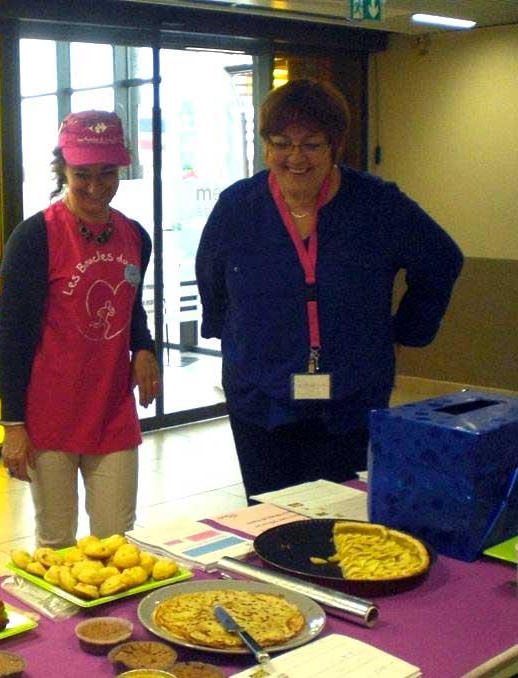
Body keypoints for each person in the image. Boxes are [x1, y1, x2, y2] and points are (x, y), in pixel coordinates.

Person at [195, 78, 463, 499]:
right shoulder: (238, 206)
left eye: (312, 144)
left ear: (335, 146)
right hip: (260, 394)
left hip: (351, 396)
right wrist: (227, 331)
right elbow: (211, 276)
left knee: (343, 515)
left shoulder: (376, 204)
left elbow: (442, 259)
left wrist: (405, 332)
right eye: (281, 143)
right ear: (265, 146)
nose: (295, 157)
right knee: (270, 515)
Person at [0, 109, 160, 550]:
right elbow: (11, 336)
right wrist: (13, 422)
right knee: (57, 543)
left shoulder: (135, 236)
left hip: (112, 409)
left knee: (115, 540)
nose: (95, 186)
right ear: (62, 169)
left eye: (107, 173)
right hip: (49, 415)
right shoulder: (35, 238)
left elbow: (130, 306)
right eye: (82, 174)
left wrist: (144, 347)